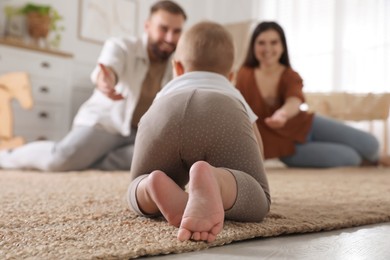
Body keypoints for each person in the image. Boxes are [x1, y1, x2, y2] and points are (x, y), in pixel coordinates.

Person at [0, 1, 187, 171]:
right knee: (60, 160)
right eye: (163, 29)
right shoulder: (122, 46)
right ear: (147, 26)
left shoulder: (179, 62)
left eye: (177, 31)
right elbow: (108, 66)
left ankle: (89, 161)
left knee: (158, 163)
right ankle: (6, 156)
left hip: (140, 133)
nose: (170, 38)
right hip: (106, 124)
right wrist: (105, 81)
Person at [127, 21, 271, 243]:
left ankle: (150, 186)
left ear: (178, 68)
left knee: (135, 184)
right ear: (230, 75)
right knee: (259, 197)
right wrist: (251, 170)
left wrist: (141, 178)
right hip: (222, 112)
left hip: (163, 113)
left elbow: (146, 126)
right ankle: (216, 181)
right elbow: (257, 146)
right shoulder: (231, 92)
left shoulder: (165, 92)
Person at [235, 21, 390, 168]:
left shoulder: (290, 75)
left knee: (371, 144)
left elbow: (294, 100)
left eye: (274, 42)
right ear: (253, 46)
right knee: (352, 157)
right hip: (285, 148)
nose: (267, 48)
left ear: (282, 47)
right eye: (261, 42)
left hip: (307, 125)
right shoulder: (243, 75)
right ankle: (374, 160)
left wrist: (282, 114)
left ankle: (375, 158)